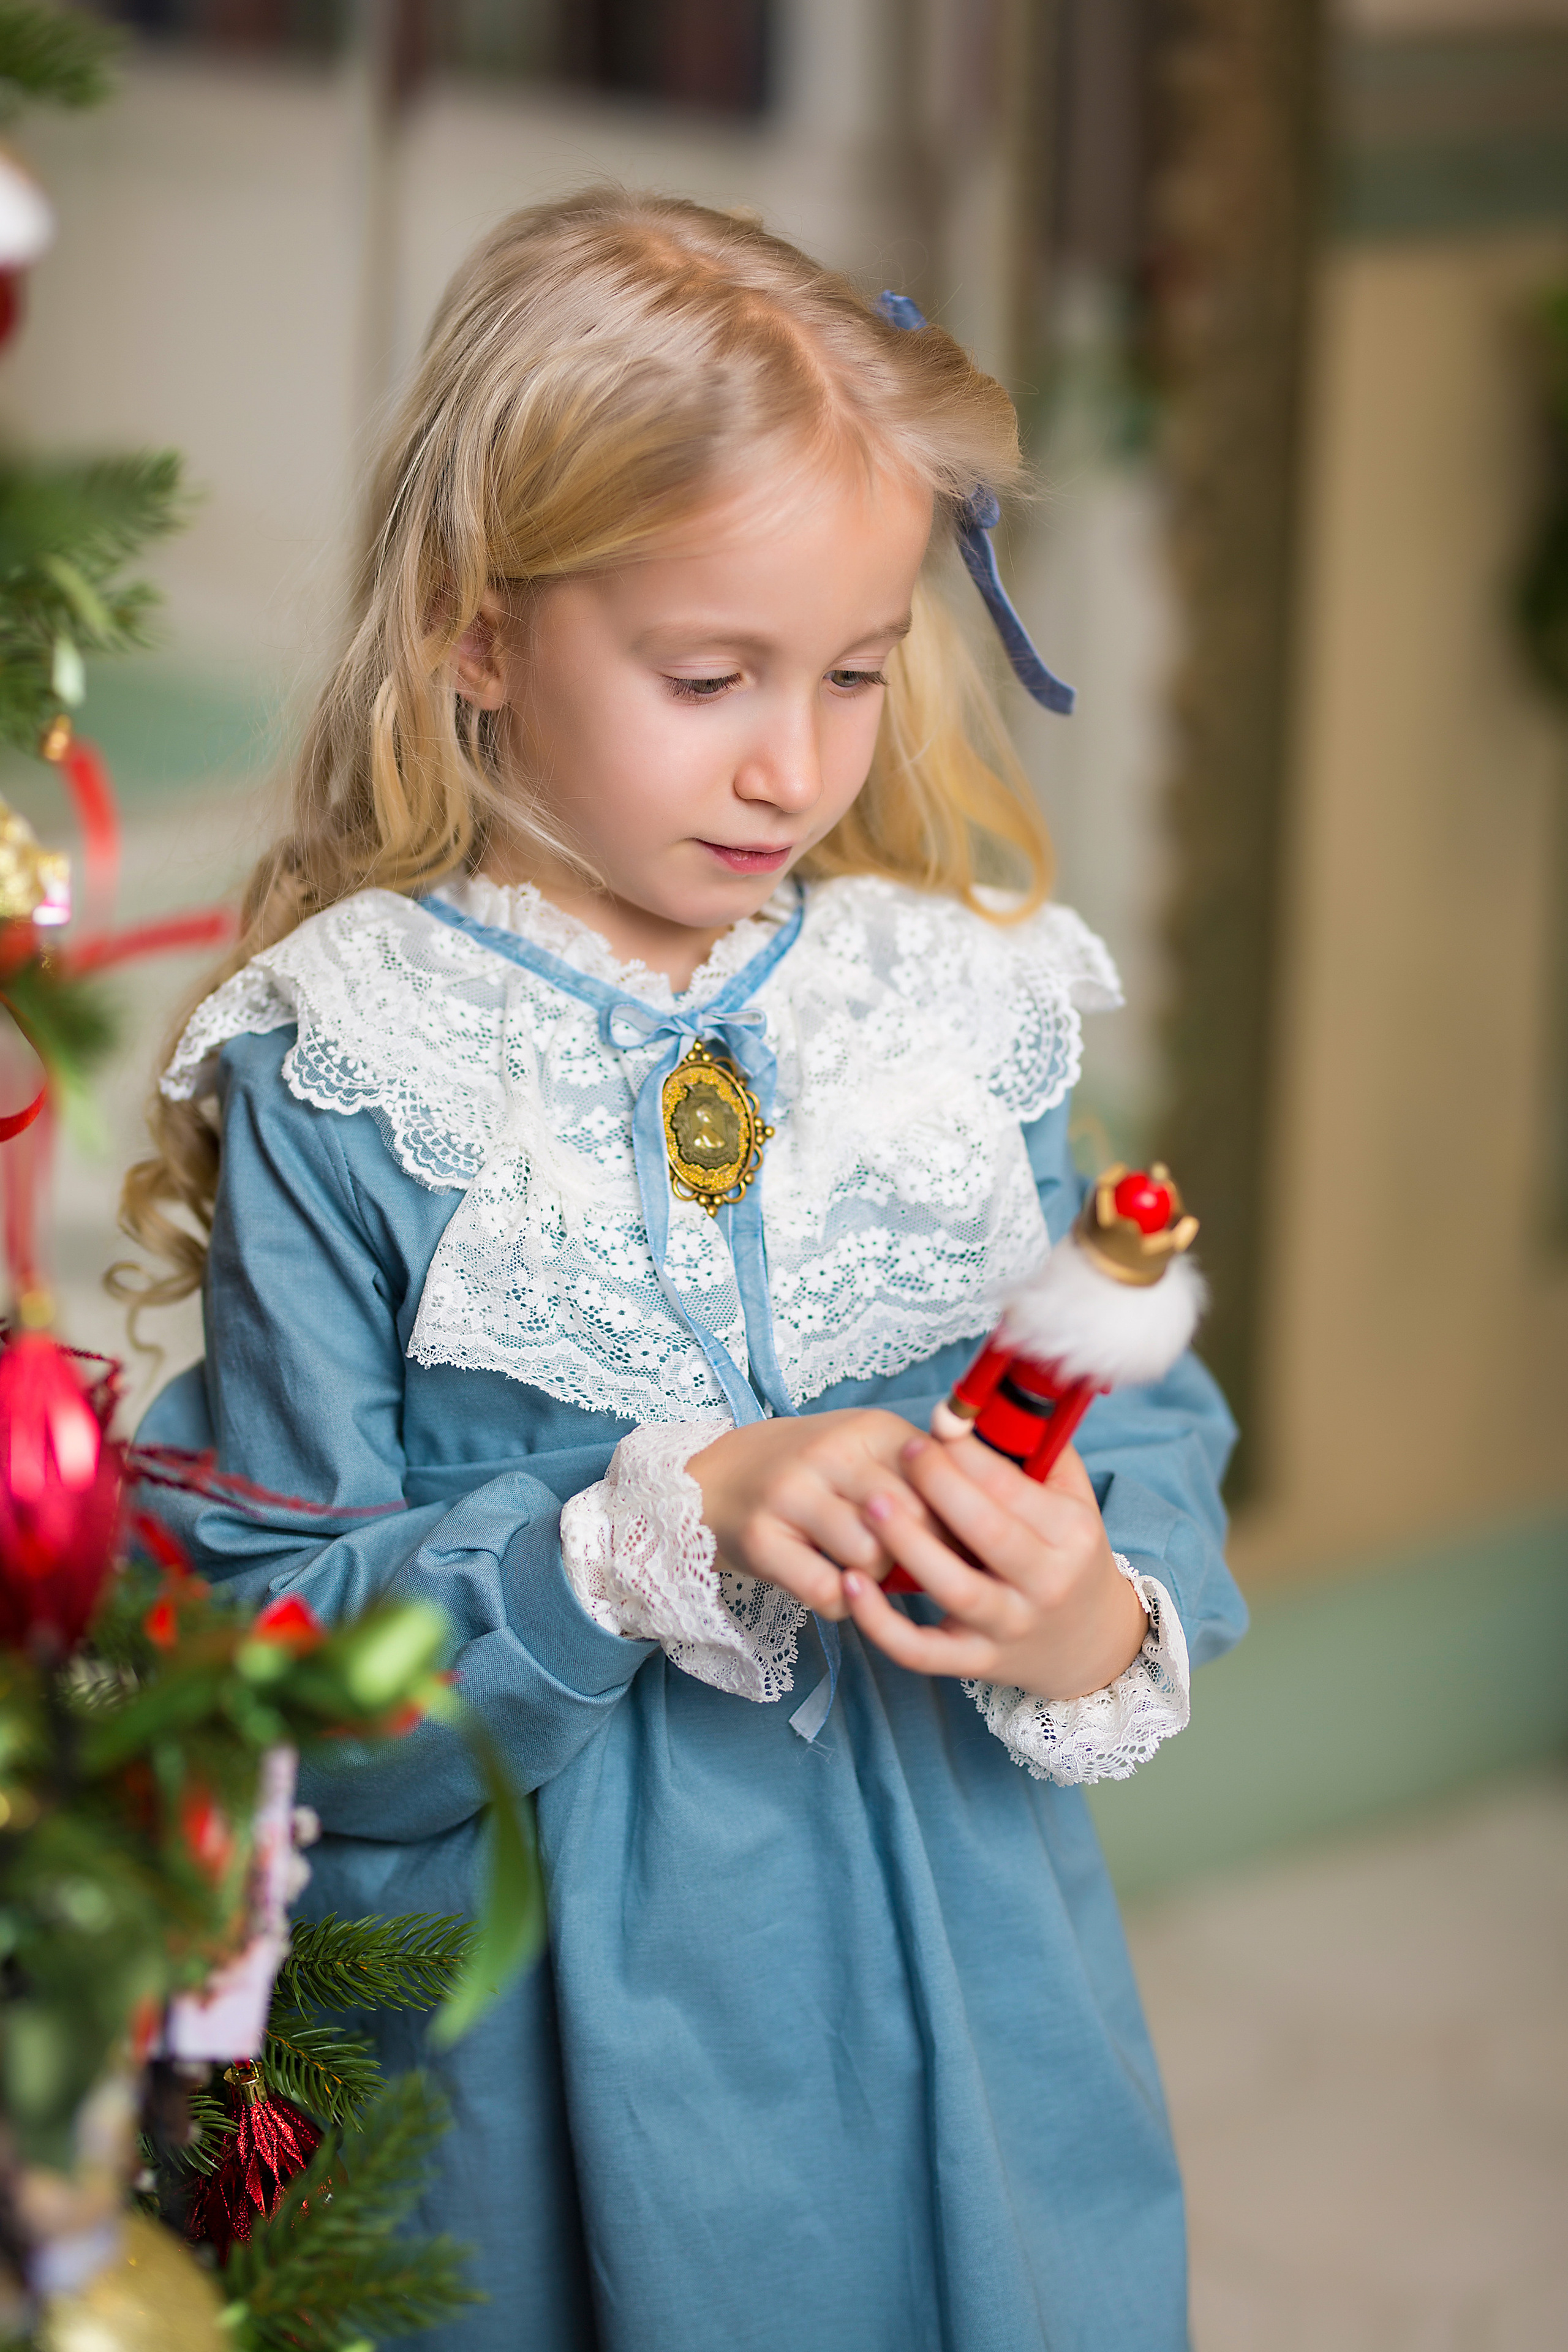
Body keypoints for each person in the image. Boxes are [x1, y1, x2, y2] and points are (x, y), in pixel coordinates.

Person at [126, 190, 1245, 2352]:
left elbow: (1148, 1426)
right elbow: (274, 1677)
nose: (796, 764)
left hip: (975, 2023)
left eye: (852, 673)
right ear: (475, 626)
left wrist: (1091, 1603)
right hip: (540, 2071)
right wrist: (645, 1532)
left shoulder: (952, 1007)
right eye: (710, 677)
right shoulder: (346, 1064)